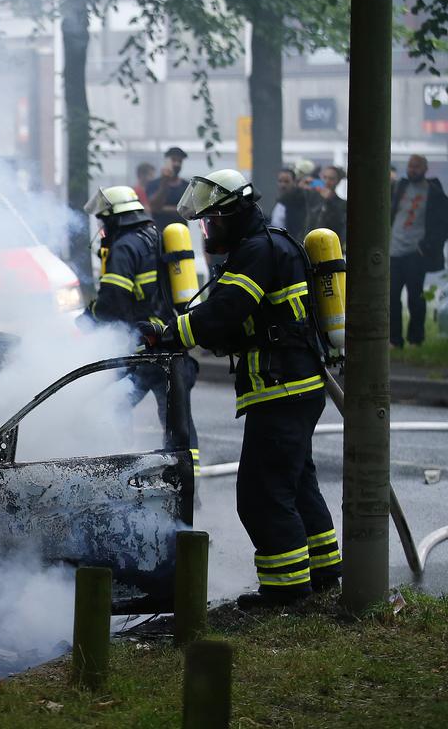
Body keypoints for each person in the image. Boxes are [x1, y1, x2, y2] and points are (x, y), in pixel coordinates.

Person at [145, 168, 340, 608]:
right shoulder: (270, 243)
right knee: (296, 485)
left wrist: (169, 334)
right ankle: (324, 571)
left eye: (211, 221)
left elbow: (225, 312)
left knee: (261, 493)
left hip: (281, 387)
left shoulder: (257, 250)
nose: (208, 229)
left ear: (233, 214)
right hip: (295, 385)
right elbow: (240, 323)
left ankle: (286, 591)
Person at [81, 185, 200, 474]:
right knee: (177, 421)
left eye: (102, 220)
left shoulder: (125, 247)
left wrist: (86, 319)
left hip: (142, 350)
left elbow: (112, 301)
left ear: (113, 217)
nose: (101, 227)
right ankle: (188, 482)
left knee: (109, 404)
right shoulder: (154, 236)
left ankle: (120, 468)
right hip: (169, 344)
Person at [390, 154, 448, 348]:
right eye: (410, 166)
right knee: (391, 297)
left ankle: (416, 339)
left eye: (416, 166)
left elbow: (447, 226)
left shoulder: (434, 192)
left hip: (415, 254)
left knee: (415, 298)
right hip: (394, 251)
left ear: (425, 169)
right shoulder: (399, 188)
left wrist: (425, 246)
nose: (412, 170)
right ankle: (394, 340)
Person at [145, 147, 189, 230]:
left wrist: (163, 209)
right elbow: (154, 207)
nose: (177, 164)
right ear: (166, 162)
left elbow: (187, 211)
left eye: (180, 161)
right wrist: (164, 183)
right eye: (173, 160)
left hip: (181, 234)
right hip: (159, 233)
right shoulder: (153, 184)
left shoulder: (186, 186)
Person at [270, 168, 317, 239]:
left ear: (294, 182)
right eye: (280, 181)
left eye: (286, 182)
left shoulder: (299, 201)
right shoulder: (281, 201)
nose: (283, 185)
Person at [309, 165, 347, 247]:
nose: (327, 182)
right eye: (325, 178)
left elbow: (338, 225)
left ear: (338, 181)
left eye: (331, 179)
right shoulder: (313, 199)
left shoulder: (342, 204)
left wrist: (329, 201)